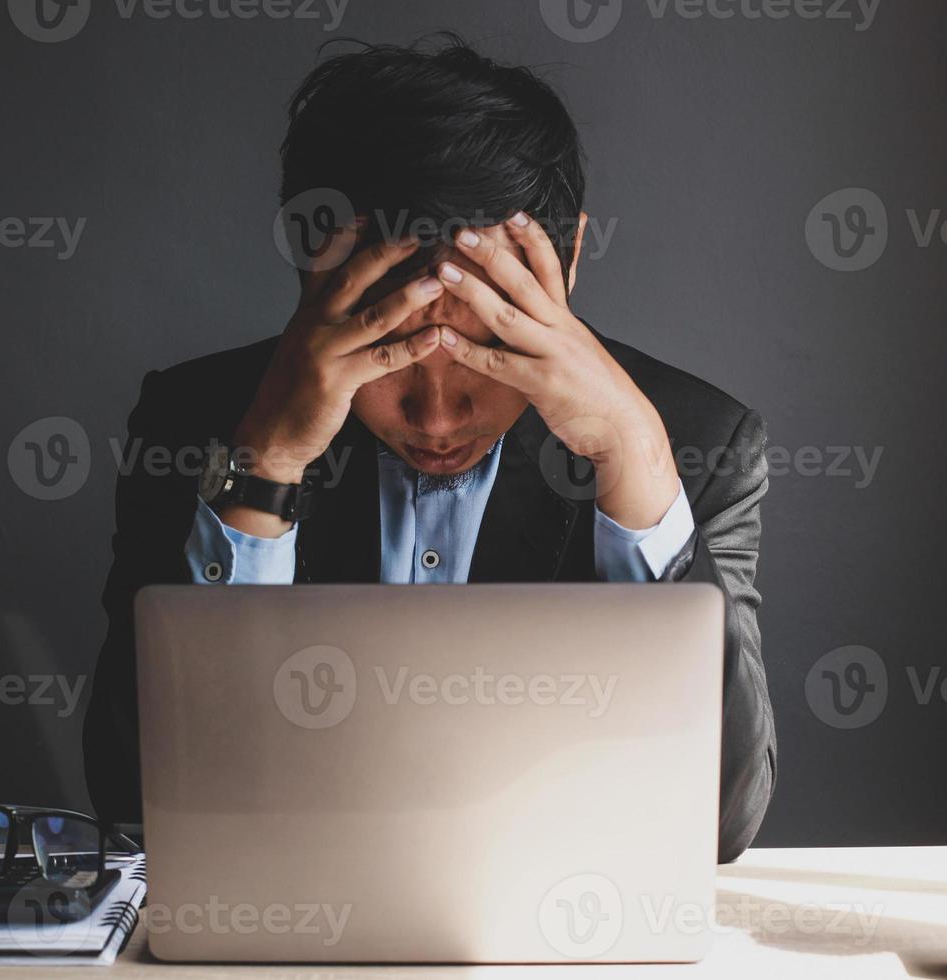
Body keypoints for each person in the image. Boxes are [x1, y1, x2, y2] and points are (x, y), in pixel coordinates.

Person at [83, 35, 775, 863]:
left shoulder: (697, 445)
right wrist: (260, 473)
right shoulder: (196, 427)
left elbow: (722, 824)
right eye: (394, 355)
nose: (438, 416)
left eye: (489, 352)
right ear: (314, 271)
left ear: (570, 259)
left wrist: (640, 472)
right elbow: (132, 799)